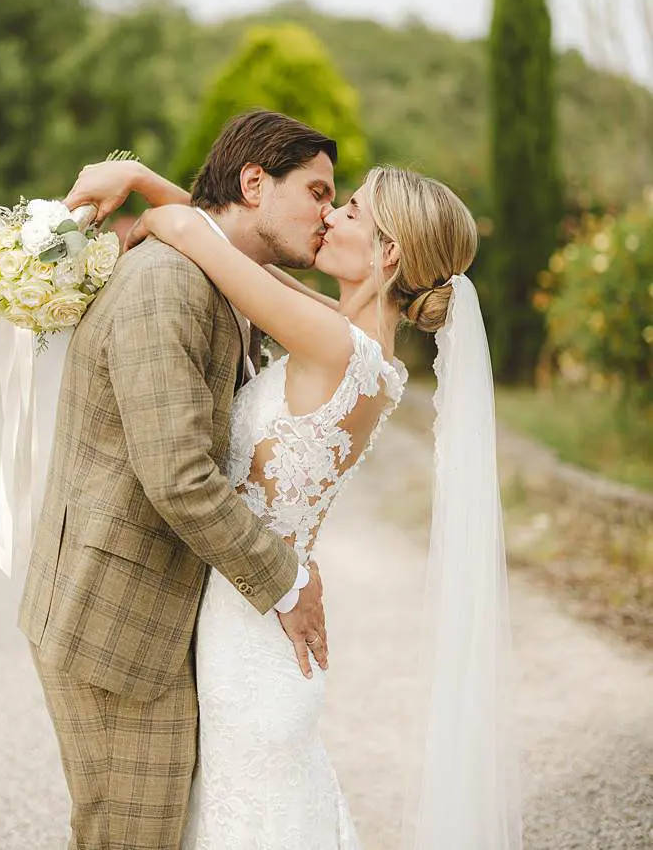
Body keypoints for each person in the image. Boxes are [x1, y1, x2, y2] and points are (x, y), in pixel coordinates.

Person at [64, 136, 513, 848]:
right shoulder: (356, 343)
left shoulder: (335, 345)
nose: (330, 216)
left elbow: (197, 236)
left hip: (250, 632)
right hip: (257, 613)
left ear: (388, 252)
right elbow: (233, 246)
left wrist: (146, 195)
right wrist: (146, 179)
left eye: (351, 211)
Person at [19, 110, 336, 850]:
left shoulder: (222, 273)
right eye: (318, 192)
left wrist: (142, 180)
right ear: (254, 183)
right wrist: (286, 582)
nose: (327, 212)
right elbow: (179, 474)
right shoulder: (169, 282)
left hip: (160, 618)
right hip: (118, 626)